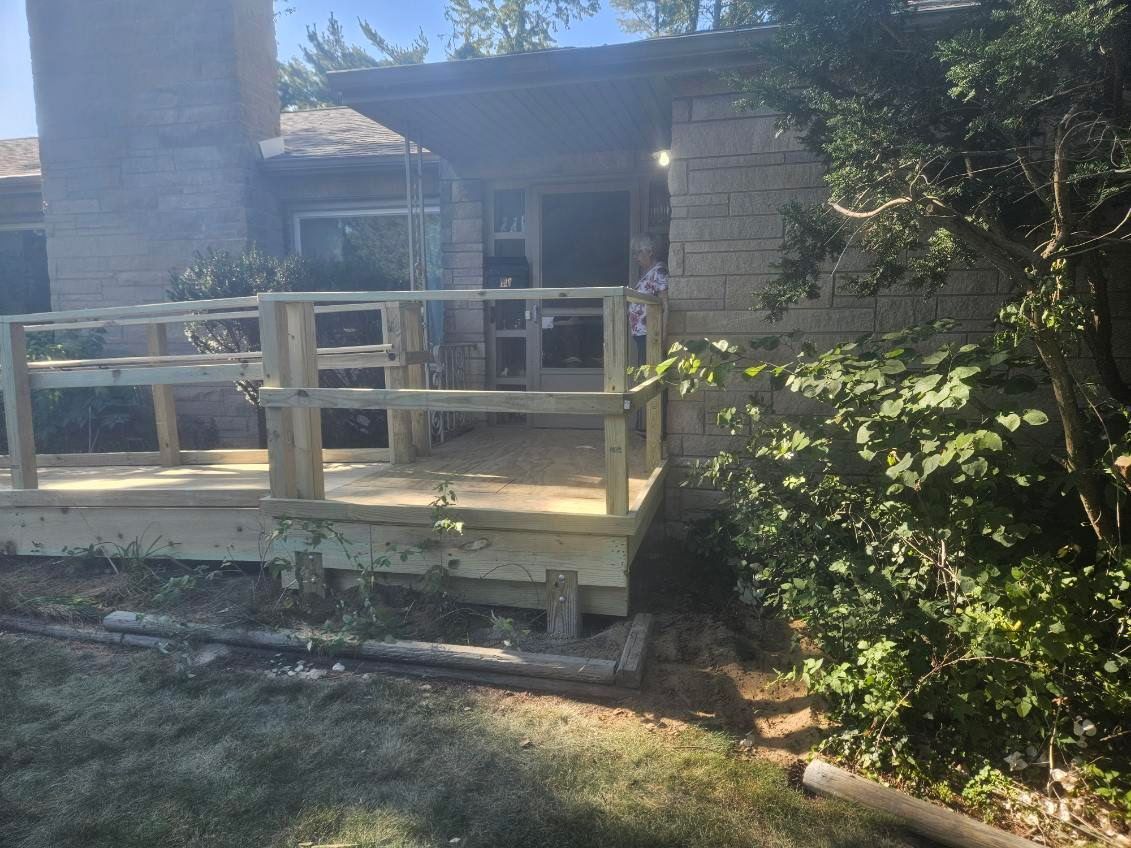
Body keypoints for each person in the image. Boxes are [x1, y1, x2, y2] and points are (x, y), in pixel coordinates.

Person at [628, 233, 668, 366]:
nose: (635, 257)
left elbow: (665, 304)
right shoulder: (648, 272)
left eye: (637, 252)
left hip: (651, 335)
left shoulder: (659, 271)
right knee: (644, 372)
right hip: (643, 334)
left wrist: (662, 337)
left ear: (650, 251)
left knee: (649, 374)